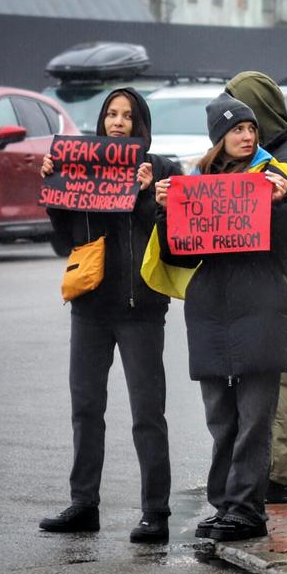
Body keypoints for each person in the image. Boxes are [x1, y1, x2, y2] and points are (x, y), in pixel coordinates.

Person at [150, 93, 287, 540]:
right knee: (221, 419)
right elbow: (177, 255)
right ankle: (225, 504)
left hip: (261, 309)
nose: (246, 137)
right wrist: (164, 212)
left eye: (251, 129)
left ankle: (247, 510)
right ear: (218, 138)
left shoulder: (274, 177)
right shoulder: (197, 181)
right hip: (211, 315)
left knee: (254, 419)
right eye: (237, 130)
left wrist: (283, 203)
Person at [38, 88, 179, 542]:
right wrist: (54, 191)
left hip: (140, 310)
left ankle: (155, 512)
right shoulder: (81, 167)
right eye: (111, 115)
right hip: (90, 306)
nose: (117, 122)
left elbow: (173, 241)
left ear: (142, 124)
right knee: (85, 407)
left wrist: (145, 196)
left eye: (128, 115)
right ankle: (84, 504)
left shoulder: (162, 170)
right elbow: (65, 244)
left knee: (147, 414)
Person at [226, 71, 287, 505]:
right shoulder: (280, 149)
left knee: (275, 374)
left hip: (284, 275)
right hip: (276, 275)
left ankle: (283, 473)